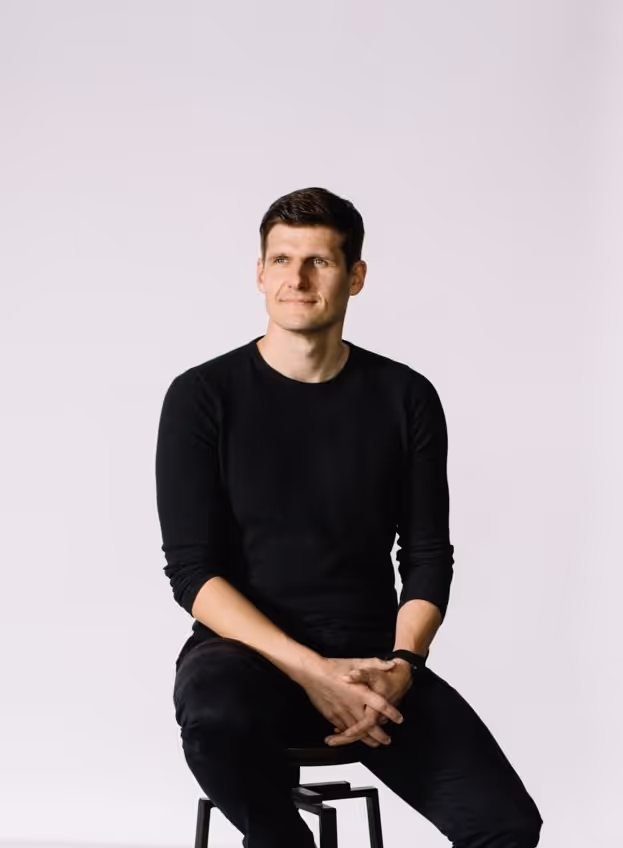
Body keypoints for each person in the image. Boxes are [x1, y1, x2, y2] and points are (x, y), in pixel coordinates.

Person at [155, 186, 543, 847]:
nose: (297, 279)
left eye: (319, 261)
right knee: (214, 717)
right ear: (259, 274)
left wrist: (402, 663)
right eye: (282, 260)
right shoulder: (203, 396)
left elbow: (426, 557)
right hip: (245, 658)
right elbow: (193, 573)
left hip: (372, 666)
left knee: (505, 827)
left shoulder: (405, 397)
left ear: (355, 276)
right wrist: (311, 670)